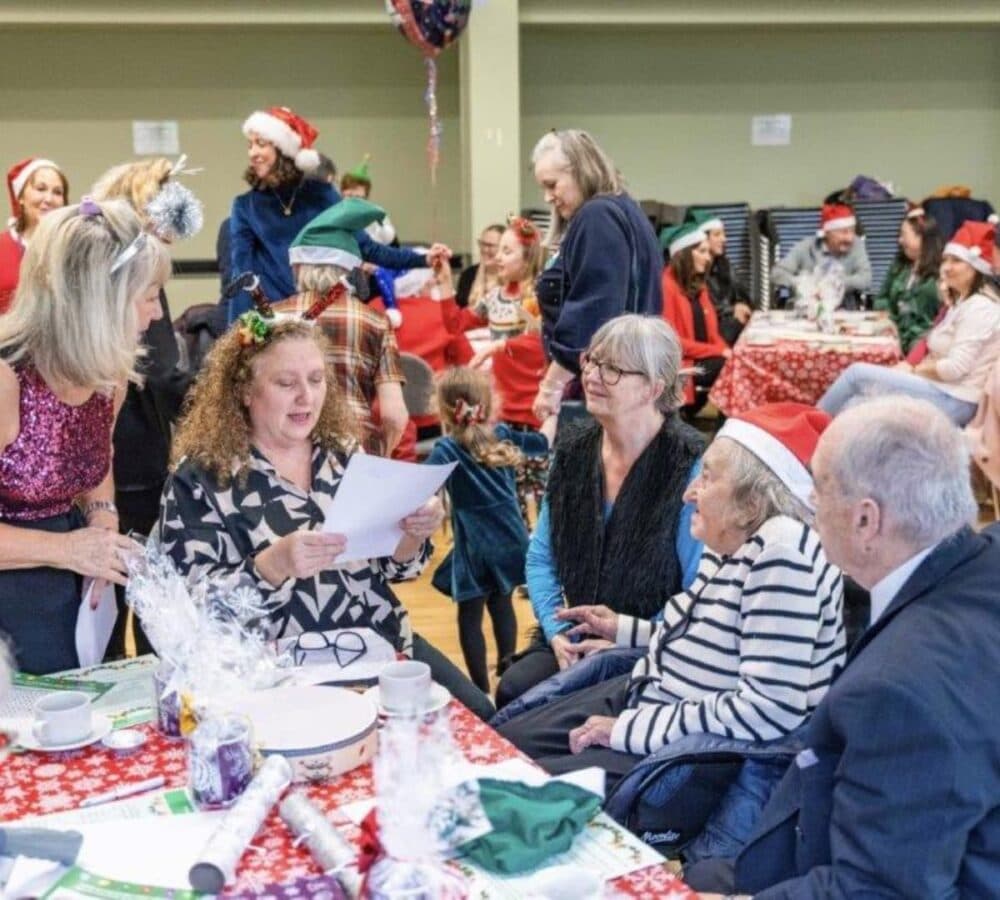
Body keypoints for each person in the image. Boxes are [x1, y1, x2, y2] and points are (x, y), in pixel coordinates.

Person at [687, 396, 999, 898]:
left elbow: (876, 889)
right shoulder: (983, 557)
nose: (809, 500)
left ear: (865, 520)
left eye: (821, 486)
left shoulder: (898, 691)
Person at [154, 313, 494, 720]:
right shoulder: (201, 479)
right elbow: (192, 615)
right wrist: (272, 566)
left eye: (316, 380)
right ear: (244, 390)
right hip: (275, 671)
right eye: (286, 383)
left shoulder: (342, 453)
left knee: (481, 717)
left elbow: (391, 568)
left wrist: (411, 535)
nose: (306, 397)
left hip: (377, 643)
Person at [497, 402, 844, 792]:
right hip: (651, 696)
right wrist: (625, 630)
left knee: (510, 782)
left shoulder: (784, 557)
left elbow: (768, 710)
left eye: (708, 478)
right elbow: (708, 637)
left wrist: (627, 730)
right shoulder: (732, 538)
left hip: (681, 751)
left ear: (751, 504)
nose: (689, 494)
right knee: (500, 747)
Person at [495, 315, 704, 708]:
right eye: (592, 361)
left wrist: (623, 635)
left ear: (654, 388)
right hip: (573, 636)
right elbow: (541, 557)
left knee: (578, 704)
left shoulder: (690, 465)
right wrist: (557, 631)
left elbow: (699, 592)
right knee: (514, 690)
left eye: (613, 369)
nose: (591, 375)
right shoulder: (573, 451)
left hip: (653, 645)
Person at [0, 198, 170, 674]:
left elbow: (98, 457)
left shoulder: (108, 377)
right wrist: (65, 550)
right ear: (101, 301)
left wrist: (103, 519)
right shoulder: (6, 378)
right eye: (149, 295)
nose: (157, 313)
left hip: (71, 582)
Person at [91, 157, 203, 660]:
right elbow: (160, 372)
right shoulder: (132, 276)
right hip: (130, 469)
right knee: (144, 612)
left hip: (114, 467)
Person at [228, 106, 450, 321]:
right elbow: (242, 272)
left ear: (284, 149)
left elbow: (366, 247)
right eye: (249, 145)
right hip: (273, 319)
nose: (253, 153)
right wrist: (239, 333)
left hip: (320, 316)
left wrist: (424, 259)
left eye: (261, 144)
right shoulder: (244, 206)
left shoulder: (321, 195)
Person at [427, 367, 557, 692]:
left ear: (443, 409)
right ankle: (508, 677)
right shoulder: (503, 435)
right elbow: (542, 442)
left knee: (469, 617)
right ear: (489, 403)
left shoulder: (446, 449)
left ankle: (480, 690)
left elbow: (421, 488)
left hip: (474, 547)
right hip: (511, 540)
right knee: (503, 606)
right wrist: (552, 413)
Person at [530, 130, 663, 421]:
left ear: (580, 170)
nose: (548, 197)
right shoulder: (623, 208)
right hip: (630, 380)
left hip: (602, 387)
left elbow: (593, 309)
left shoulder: (597, 217)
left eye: (552, 185)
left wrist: (552, 385)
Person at [819, 220, 1000, 426]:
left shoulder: (980, 308)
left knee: (857, 374)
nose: (946, 268)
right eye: (945, 260)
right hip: (939, 388)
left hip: (956, 400)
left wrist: (916, 369)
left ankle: (807, 428)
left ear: (977, 269)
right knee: (854, 404)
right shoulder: (960, 304)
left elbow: (954, 369)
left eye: (956, 261)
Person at [271, 197, 408, 456]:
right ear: (349, 270)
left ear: (299, 267)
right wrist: (380, 453)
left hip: (288, 452)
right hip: (355, 453)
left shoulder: (275, 317)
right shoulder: (376, 322)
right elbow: (394, 416)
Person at [659, 221, 731, 416]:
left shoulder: (699, 285)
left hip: (698, 357)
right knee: (729, 365)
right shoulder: (666, 286)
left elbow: (714, 334)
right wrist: (719, 351)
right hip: (681, 363)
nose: (708, 258)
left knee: (735, 361)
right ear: (684, 254)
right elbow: (672, 342)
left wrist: (726, 350)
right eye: (702, 251)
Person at [467, 215, 544, 363]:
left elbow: (536, 347)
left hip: (524, 382)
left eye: (507, 252)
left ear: (527, 260)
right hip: (499, 379)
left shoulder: (536, 299)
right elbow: (457, 324)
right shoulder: (493, 296)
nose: (498, 257)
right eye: (499, 250)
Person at [771, 202, 872, 309]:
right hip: (807, 310)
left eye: (852, 231)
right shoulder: (806, 247)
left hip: (844, 310)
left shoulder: (856, 246)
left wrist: (836, 284)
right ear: (827, 233)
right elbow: (777, 273)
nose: (849, 238)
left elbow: (865, 278)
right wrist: (801, 283)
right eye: (843, 232)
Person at [872, 205, 944, 352]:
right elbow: (881, 298)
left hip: (923, 344)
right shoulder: (899, 266)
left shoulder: (942, 273)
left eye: (904, 235)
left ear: (922, 238)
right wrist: (888, 318)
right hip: (893, 336)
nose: (900, 240)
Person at [0, 158, 68, 313]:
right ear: (21, 197)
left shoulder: (71, 250)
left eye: (57, 192)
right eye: (40, 189)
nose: (49, 199)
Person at [687, 210, 753, 344]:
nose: (724, 239)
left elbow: (743, 295)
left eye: (724, 234)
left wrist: (740, 305)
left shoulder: (724, 265)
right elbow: (699, 311)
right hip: (709, 334)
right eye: (717, 235)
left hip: (730, 325)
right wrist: (732, 310)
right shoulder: (691, 272)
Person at [339, 155, 396, 246]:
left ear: (366, 197)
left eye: (358, 197)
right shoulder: (335, 213)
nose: (354, 201)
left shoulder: (374, 211)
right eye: (349, 196)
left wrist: (378, 222)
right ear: (342, 194)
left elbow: (389, 240)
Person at [455, 224, 503, 309]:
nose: (485, 249)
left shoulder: (510, 276)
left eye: (490, 245)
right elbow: (460, 309)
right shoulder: (468, 274)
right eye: (482, 244)